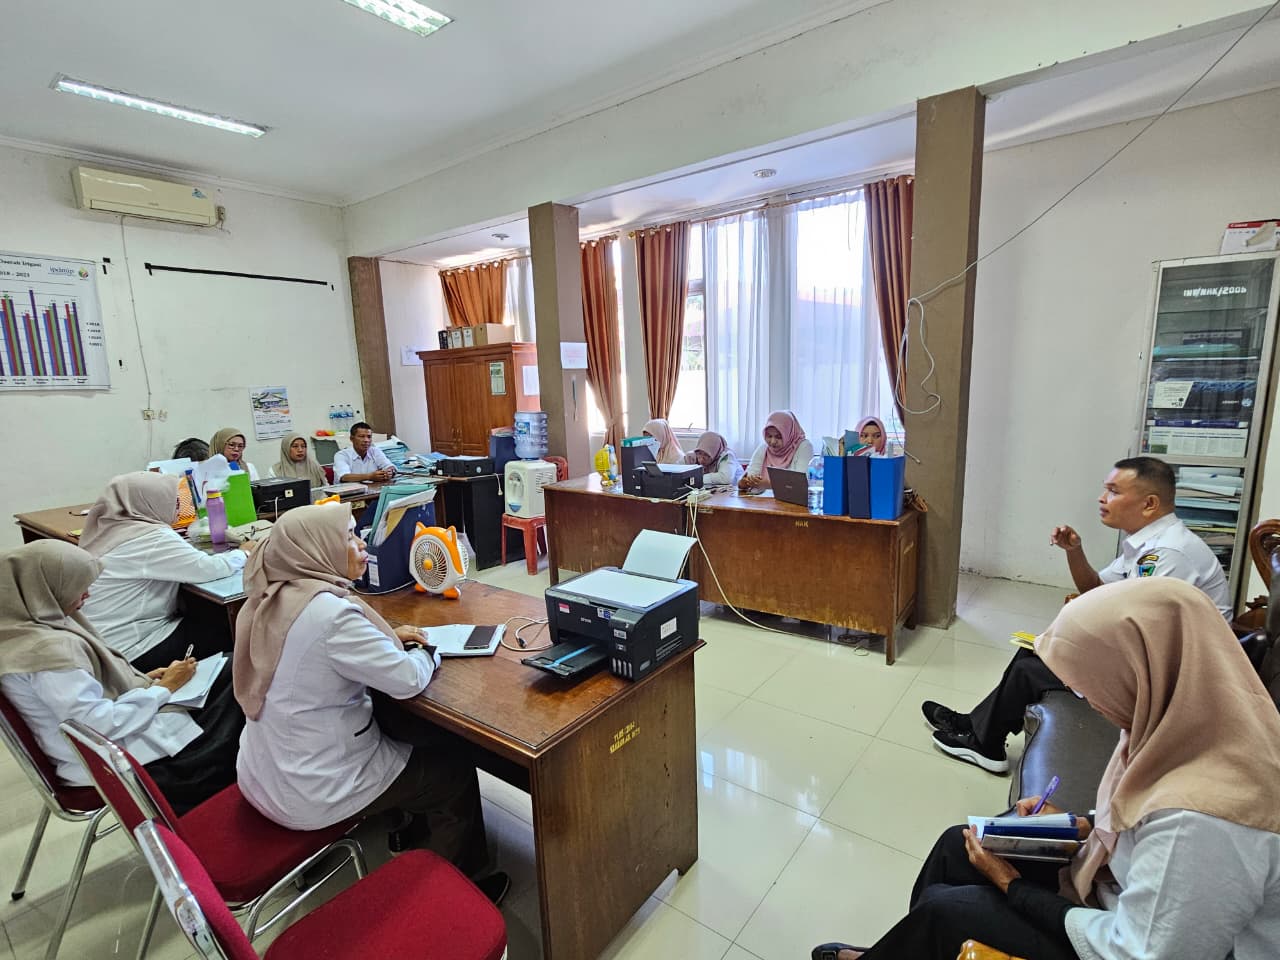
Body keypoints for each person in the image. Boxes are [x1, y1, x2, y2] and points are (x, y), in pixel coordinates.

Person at [813, 577, 1280, 960]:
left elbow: (1142, 952)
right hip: (1119, 899)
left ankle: (916, 943)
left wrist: (1012, 887)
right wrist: (1084, 825)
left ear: (1141, 671)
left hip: (1124, 944)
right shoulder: (1183, 721)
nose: (1090, 702)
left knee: (948, 909)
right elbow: (1145, 826)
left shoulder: (1205, 818)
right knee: (956, 847)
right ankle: (900, 953)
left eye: (1092, 685)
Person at [233, 503, 507, 901]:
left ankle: (402, 827)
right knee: (452, 768)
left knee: (397, 727)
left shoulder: (276, 593)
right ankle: (461, 892)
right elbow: (407, 680)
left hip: (263, 770)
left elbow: (324, 653)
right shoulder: (330, 614)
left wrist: (384, 638)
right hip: (310, 785)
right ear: (318, 549)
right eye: (347, 537)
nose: (361, 544)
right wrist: (426, 651)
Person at [924, 456, 1231, 774]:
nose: (1102, 498)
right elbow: (1096, 588)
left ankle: (985, 745)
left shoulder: (1168, 555)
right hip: (1153, 662)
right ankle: (976, 726)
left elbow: (1142, 636)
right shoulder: (1147, 544)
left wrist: (1078, 640)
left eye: (1113, 491)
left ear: (1149, 503)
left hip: (1175, 682)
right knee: (1033, 650)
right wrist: (1075, 551)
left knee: (1032, 667)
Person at [0, 540, 245, 813]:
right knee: (240, 698)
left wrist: (144, 681)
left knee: (231, 670)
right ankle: (225, 803)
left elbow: (82, 700)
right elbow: (98, 724)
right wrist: (163, 689)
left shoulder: (19, 630)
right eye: (77, 587)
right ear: (44, 591)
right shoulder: (49, 652)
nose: (87, 595)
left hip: (99, 741)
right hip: (118, 760)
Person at [80, 472, 251, 673]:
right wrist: (245, 553)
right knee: (231, 631)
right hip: (134, 649)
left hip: (97, 646)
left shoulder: (108, 528)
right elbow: (208, 568)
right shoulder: (151, 537)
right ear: (149, 501)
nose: (177, 507)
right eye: (173, 501)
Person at [740, 410, 814, 490]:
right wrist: (744, 483)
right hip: (762, 501)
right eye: (769, 436)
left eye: (778, 437)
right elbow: (750, 474)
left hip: (791, 502)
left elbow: (801, 483)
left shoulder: (804, 447)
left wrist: (768, 485)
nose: (772, 442)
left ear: (789, 434)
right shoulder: (764, 448)